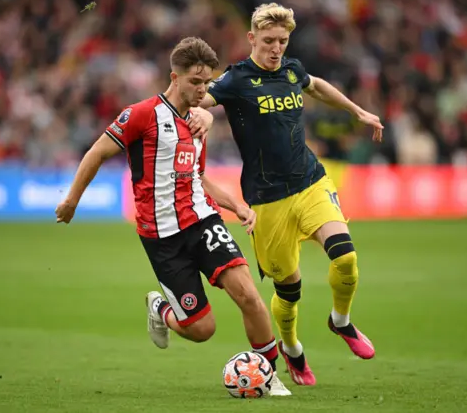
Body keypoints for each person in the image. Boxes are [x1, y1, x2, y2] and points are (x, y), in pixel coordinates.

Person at [55, 37, 291, 396]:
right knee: (202, 330)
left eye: (207, 83)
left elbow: (197, 176)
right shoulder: (141, 115)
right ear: (174, 77)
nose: (202, 90)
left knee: (248, 294)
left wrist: (236, 205)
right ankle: (161, 309)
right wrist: (71, 200)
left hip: (202, 221)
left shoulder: (198, 124)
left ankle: (268, 375)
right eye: (195, 82)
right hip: (162, 238)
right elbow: (97, 152)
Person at [196, 4, 384, 386]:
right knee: (289, 289)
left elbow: (316, 85)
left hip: (311, 181)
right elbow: (199, 99)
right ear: (251, 39)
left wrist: (357, 111)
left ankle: (341, 321)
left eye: (282, 41)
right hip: (267, 201)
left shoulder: (291, 69)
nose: (276, 48)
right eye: (268, 41)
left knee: (345, 256)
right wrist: (199, 112)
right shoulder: (235, 80)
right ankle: (292, 348)